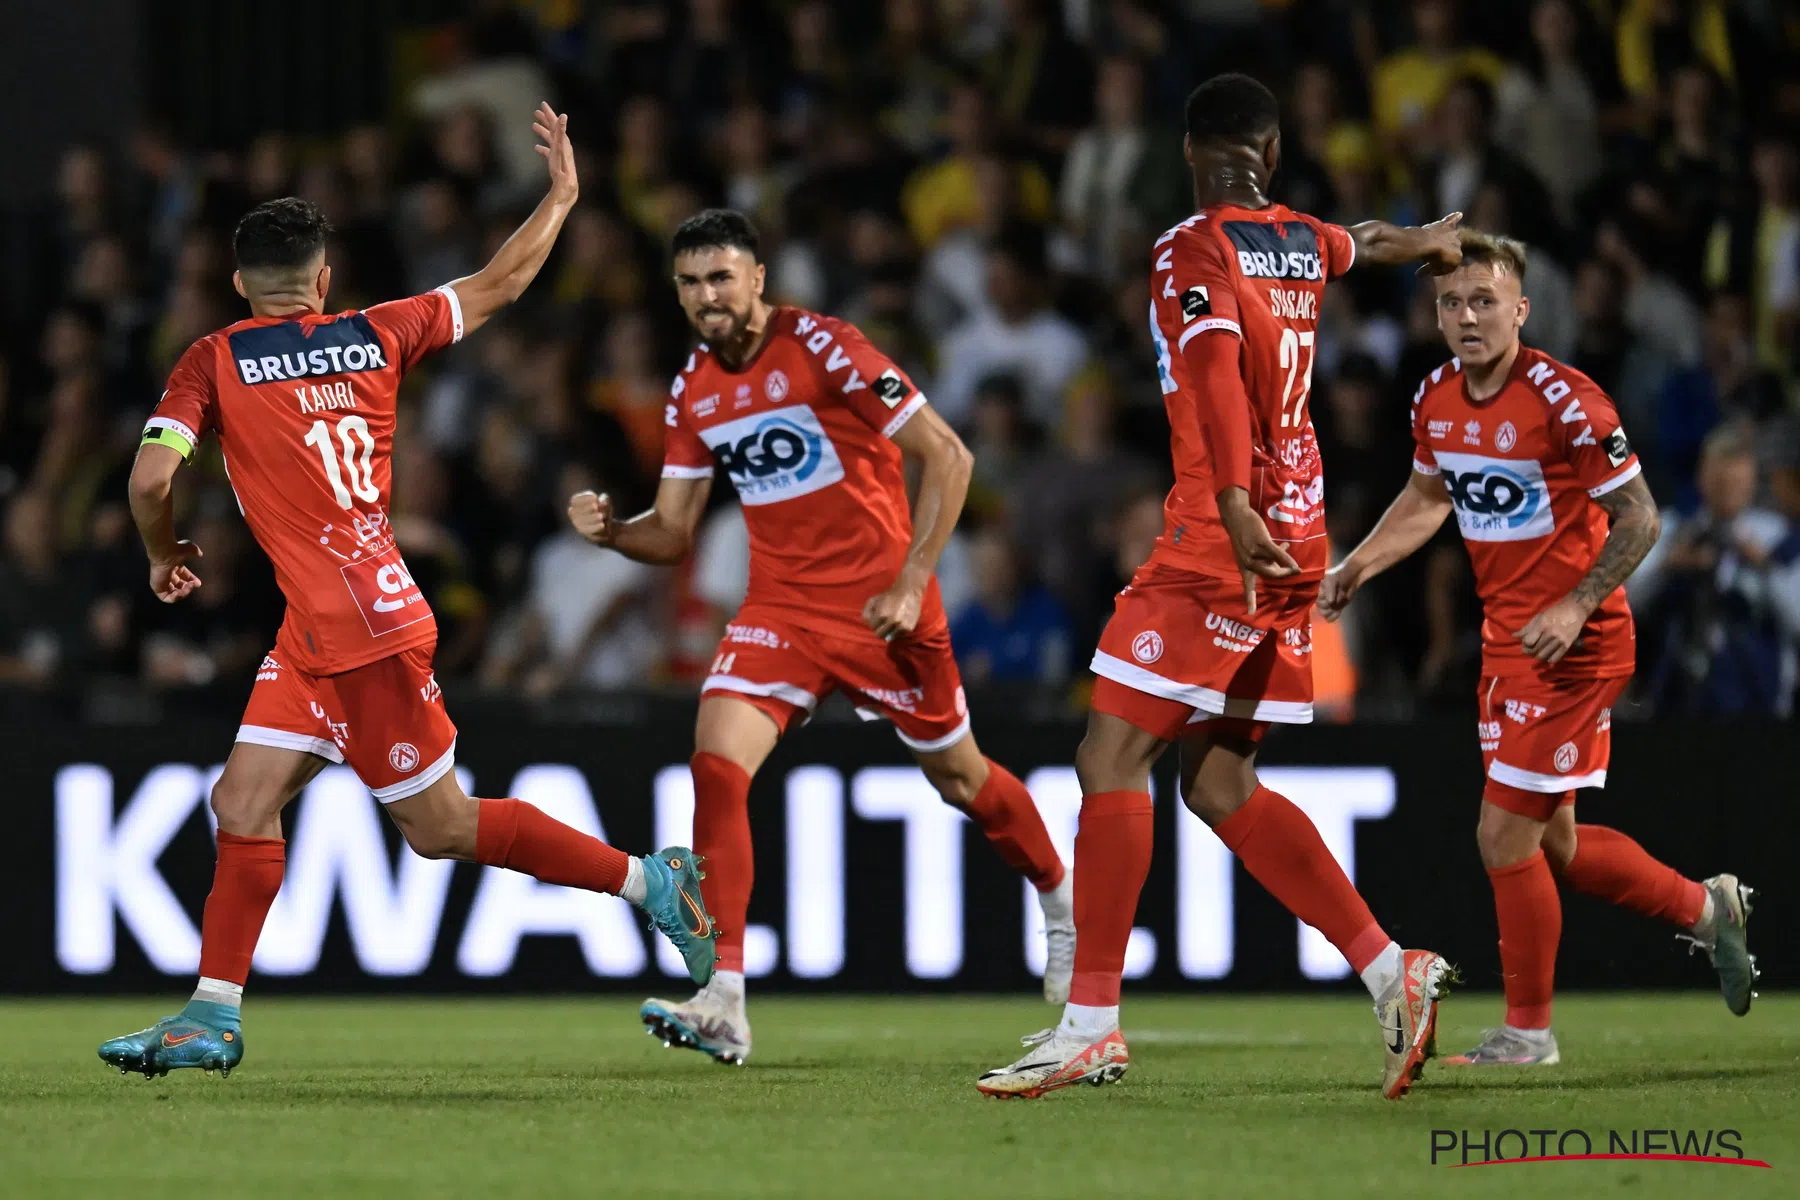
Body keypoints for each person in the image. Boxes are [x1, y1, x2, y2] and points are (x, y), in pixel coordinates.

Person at [98, 105, 717, 1081]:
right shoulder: (378, 332)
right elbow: (503, 282)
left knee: (441, 831)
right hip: (329, 622)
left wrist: (163, 548)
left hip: (364, 636)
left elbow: (146, 479)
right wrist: (561, 195)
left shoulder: (210, 359)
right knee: (243, 799)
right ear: (323, 280)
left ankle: (651, 882)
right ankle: (212, 1015)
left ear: (236, 285)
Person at [976, 73, 1464, 1103]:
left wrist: (1234, 504)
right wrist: (1425, 240)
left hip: (1223, 537)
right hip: (1300, 527)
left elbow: (1210, 365)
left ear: (1192, 155)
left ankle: (1090, 1025)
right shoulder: (1299, 241)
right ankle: (1393, 968)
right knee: (1216, 782)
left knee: (1108, 753)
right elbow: (1358, 239)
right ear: (1273, 154)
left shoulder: (1188, 249)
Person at [569, 209, 1073, 1066]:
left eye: (721, 278)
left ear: (758, 278)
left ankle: (1061, 901)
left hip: (884, 606)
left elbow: (948, 455)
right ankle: (725, 997)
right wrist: (617, 529)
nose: (706, 297)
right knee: (716, 763)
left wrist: (914, 578)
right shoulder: (694, 385)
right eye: (690, 283)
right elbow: (677, 532)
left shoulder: (827, 347)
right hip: (781, 611)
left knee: (964, 780)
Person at [1320, 230, 1756, 1067]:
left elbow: (1642, 517)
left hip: (1576, 645)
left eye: (1485, 301)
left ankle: (1528, 1033)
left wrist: (1577, 600)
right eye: (1452, 303)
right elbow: (1425, 497)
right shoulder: (1435, 398)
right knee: (1552, 842)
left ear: (1520, 309)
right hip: (1506, 642)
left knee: (1501, 838)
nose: (1468, 316)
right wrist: (1360, 565)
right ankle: (1708, 912)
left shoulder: (1566, 399)